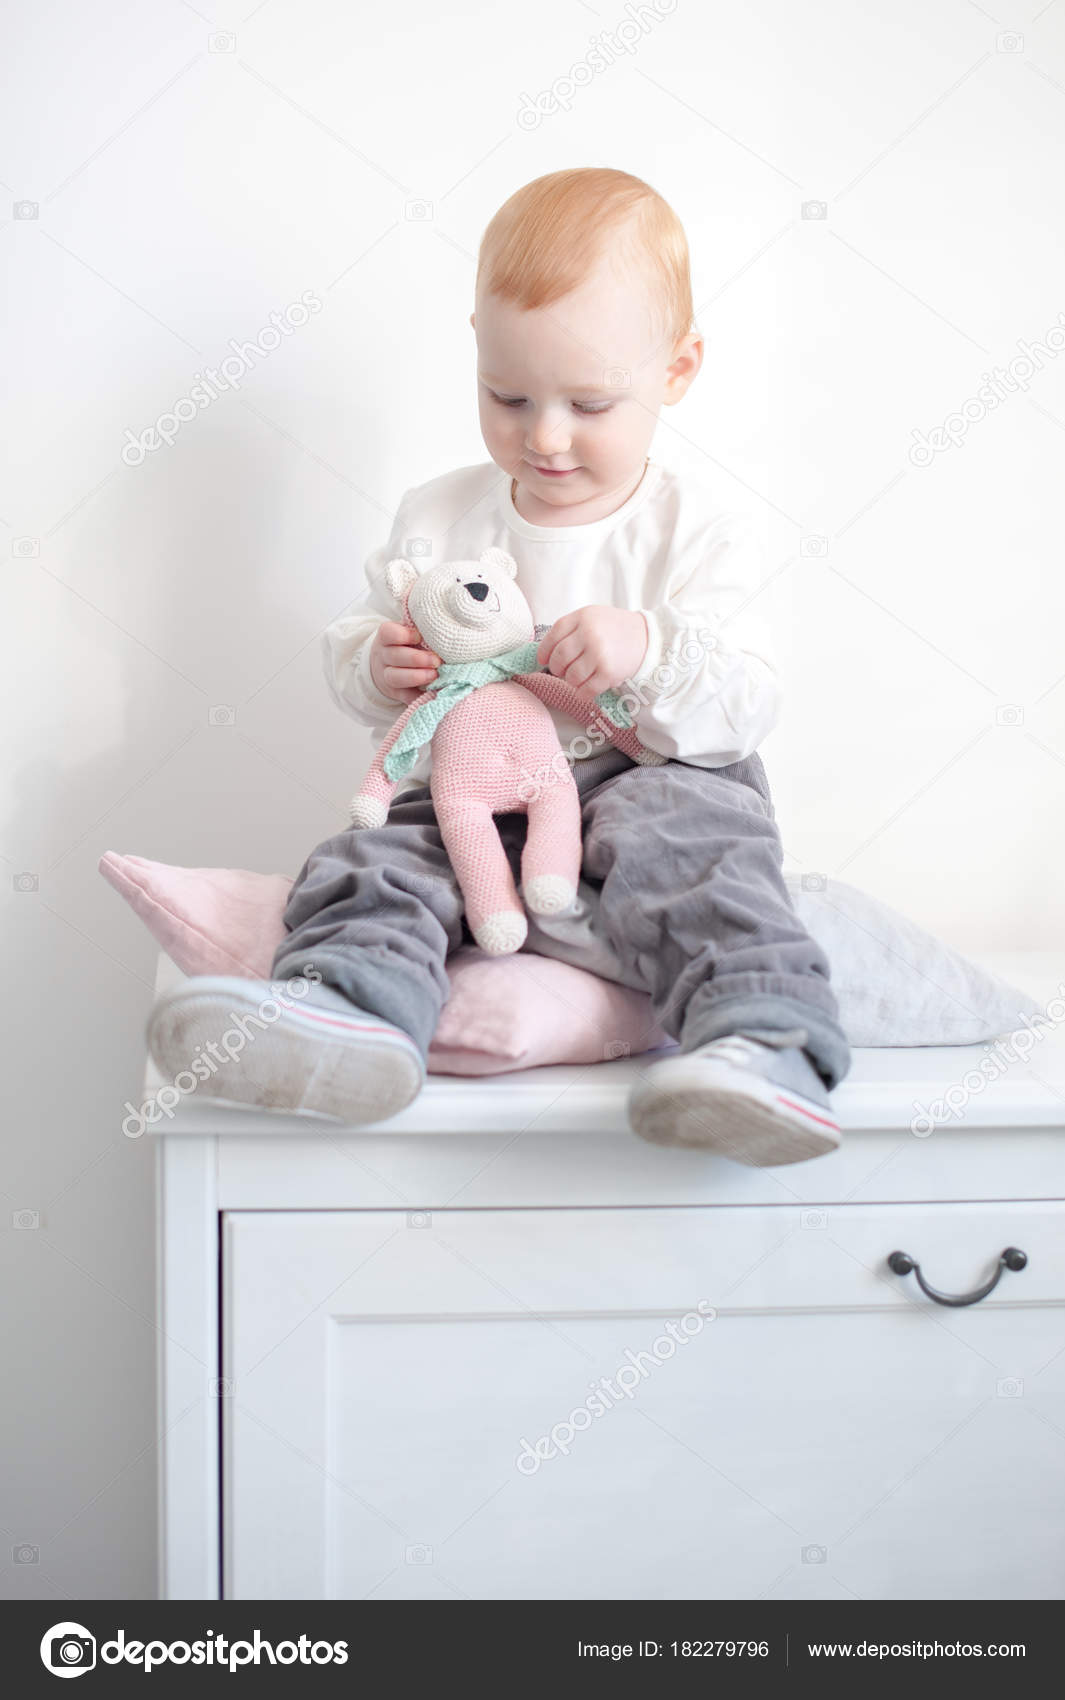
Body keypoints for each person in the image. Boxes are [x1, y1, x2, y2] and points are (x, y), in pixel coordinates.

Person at [148, 167, 850, 1166]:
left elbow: (747, 702)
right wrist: (375, 665)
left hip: (650, 771)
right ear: (475, 345)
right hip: (475, 778)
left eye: (591, 402)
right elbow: (359, 650)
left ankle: (765, 1040)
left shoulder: (698, 526)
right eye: (509, 395)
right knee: (378, 853)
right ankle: (350, 1006)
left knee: (699, 854)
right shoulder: (440, 511)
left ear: (680, 369)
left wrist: (648, 651)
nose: (547, 435)